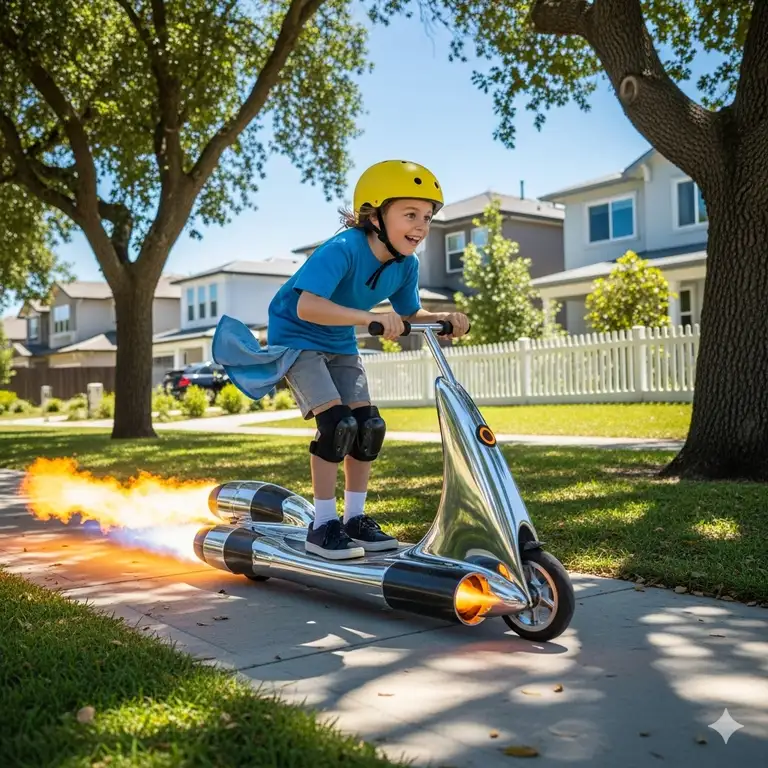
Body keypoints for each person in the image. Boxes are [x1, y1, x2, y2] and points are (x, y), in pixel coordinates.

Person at [213, 160, 470, 560]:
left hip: (340, 339)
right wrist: (369, 318)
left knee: (368, 426)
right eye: (409, 215)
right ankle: (323, 524)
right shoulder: (342, 249)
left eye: (427, 217)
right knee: (337, 425)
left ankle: (354, 520)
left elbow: (409, 314)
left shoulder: (407, 265)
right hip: (298, 338)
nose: (420, 227)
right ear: (374, 214)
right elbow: (308, 307)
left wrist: (443, 318)